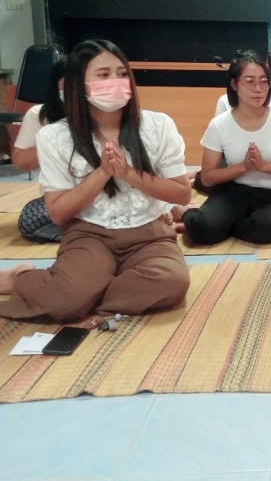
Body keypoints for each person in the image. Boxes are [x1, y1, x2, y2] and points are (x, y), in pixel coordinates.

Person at [0, 39, 191, 322]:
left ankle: (84, 294)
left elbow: (182, 193)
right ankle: (22, 279)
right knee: (67, 297)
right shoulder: (54, 136)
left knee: (172, 283)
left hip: (149, 234)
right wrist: (102, 173)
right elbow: (58, 212)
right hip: (89, 234)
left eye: (122, 73)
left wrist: (129, 174)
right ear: (79, 84)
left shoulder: (158, 125)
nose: (116, 81)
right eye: (103, 75)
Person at [172, 50, 271, 245]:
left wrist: (264, 166)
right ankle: (192, 216)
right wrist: (243, 167)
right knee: (203, 230)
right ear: (234, 84)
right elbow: (208, 177)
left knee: (268, 230)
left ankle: (216, 224)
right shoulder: (220, 124)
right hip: (231, 192)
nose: (258, 89)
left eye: (264, 81)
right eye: (250, 81)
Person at [12, 57, 67, 242]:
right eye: (68, 87)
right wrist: (54, 140)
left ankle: (90, 231)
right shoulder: (40, 115)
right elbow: (21, 161)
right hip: (60, 200)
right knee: (30, 219)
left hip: (102, 196)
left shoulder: (104, 112)